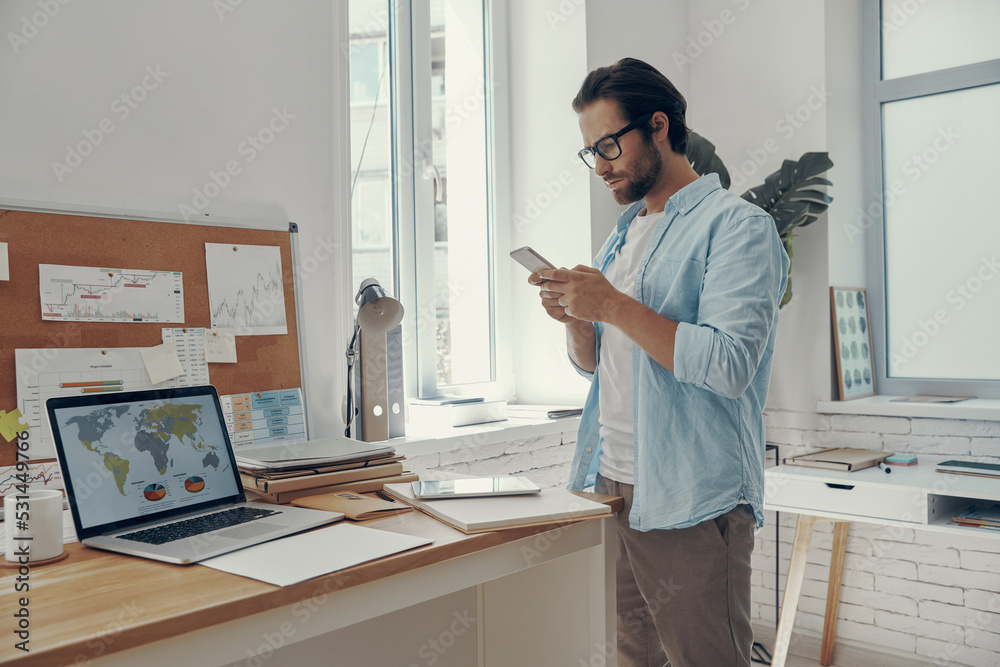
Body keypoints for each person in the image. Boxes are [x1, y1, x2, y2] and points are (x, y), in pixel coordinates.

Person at [530, 57, 789, 667]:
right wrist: (577, 321)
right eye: (590, 151)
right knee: (631, 655)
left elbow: (728, 364)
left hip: (691, 495)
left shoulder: (738, 228)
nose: (600, 165)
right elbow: (600, 367)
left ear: (658, 126)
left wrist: (613, 304)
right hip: (614, 482)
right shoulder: (623, 234)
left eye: (609, 145)